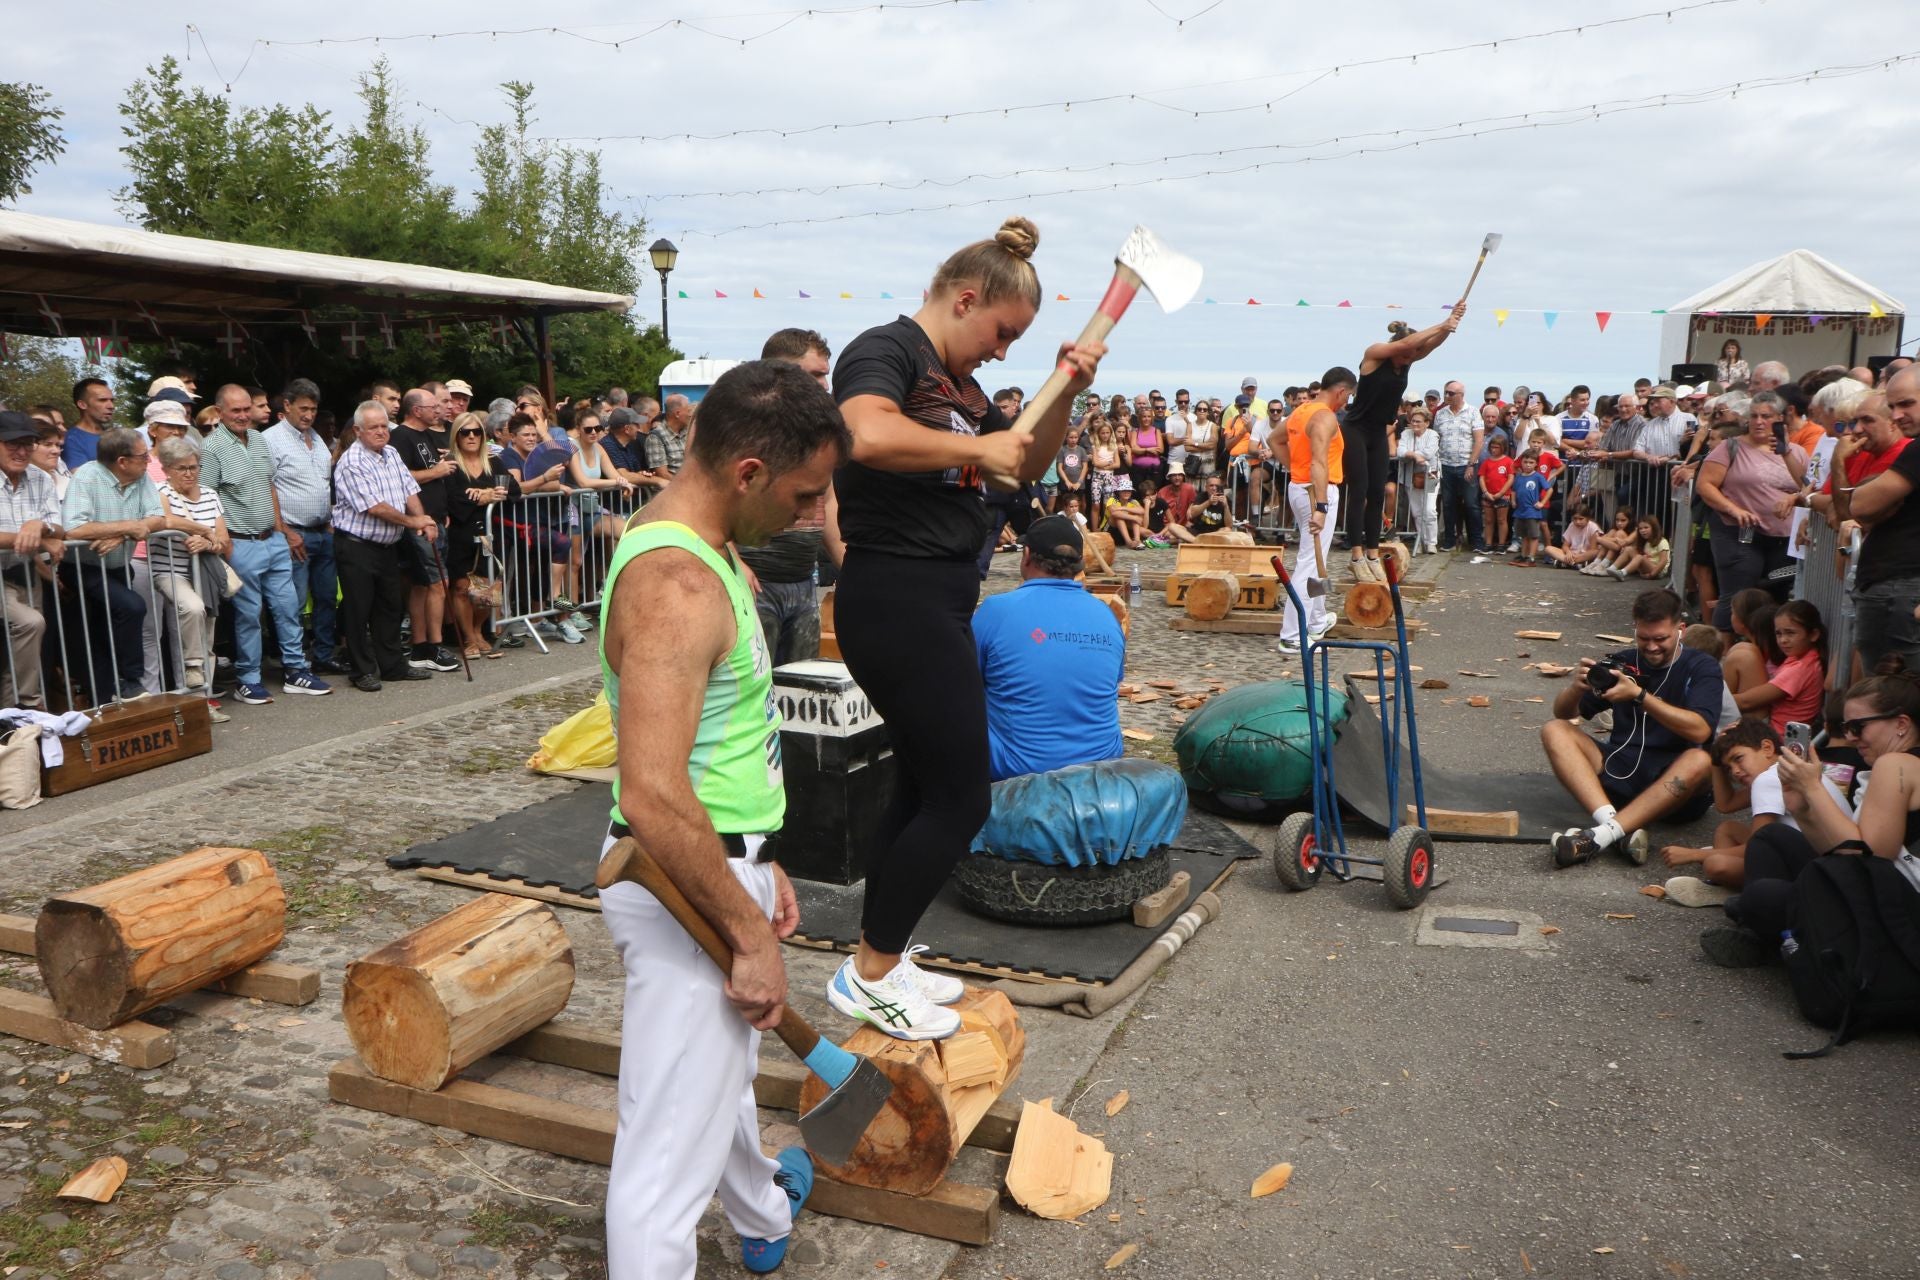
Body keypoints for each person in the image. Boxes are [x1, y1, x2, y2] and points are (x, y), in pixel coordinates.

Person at [594, 361, 845, 1278]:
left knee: (715, 1076)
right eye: (805, 494)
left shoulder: (706, 539)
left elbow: (718, 746)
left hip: (715, 859)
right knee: (662, 1164)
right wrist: (745, 932)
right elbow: (654, 792)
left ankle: (761, 1209)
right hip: (680, 883)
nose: (813, 514)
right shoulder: (679, 583)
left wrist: (759, 855)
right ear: (747, 473)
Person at [830, 216, 1105, 1040]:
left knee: (918, 790)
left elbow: (1019, 460)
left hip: (940, 599)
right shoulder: (887, 351)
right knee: (962, 798)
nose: (1002, 351)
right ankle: (868, 974)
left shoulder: (964, 394)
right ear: (964, 299)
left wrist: (1067, 394)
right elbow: (866, 432)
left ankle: (887, 951)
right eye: (1001, 332)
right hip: (897, 597)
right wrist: (976, 454)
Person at [1701, 668, 1920, 967]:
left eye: (1859, 726)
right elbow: (1841, 850)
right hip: (1882, 893)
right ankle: (1771, 934)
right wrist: (1802, 809)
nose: (1850, 737)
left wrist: (1812, 787)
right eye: (1845, 727)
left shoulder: (1896, 764)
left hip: (1897, 913)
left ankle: (1773, 943)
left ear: (1902, 724)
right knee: (1771, 838)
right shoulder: (1895, 763)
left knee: (1761, 897)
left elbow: (1871, 856)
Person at [1541, 589, 1724, 867]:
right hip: (1621, 769)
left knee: (1700, 760)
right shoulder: (1624, 662)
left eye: (1660, 639)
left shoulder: (1702, 667)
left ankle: (1598, 836)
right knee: (1554, 729)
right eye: (1643, 638)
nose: (1651, 647)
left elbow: (1700, 731)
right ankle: (1613, 829)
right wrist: (1576, 689)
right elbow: (1564, 713)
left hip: (1673, 785)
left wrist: (1640, 696)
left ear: (1680, 630)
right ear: (1635, 629)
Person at [200, 384, 331, 704]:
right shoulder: (211, 448)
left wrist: (280, 529)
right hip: (240, 542)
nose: (244, 416)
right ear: (219, 412)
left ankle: (296, 671)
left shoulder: (259, 439)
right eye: (236, 410)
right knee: (248, 616)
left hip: (271, 539)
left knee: (288, 609)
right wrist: (227, 546)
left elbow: (269, 486)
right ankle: (248, 678)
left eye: (247, 409)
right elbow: (207, 498)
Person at [972, 515, 1124, 780]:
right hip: (1101, 765)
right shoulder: (1106, 614)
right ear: (1079, 563)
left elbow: (963, 682)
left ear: (1027, 554)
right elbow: (1113, 682)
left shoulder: (997, 610)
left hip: (1018, 768)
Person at [1342, 310, 1463, 575]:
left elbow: (1426, 346)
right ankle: (1355, 556)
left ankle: (1373, 554)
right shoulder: (1375, 353)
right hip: (1356, 429)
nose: (1410, 359)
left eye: (1412, 356)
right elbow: (1409, 344)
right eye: (1406, 354)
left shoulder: (1405, 358)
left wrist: (1450, 324)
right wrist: (1442, 322)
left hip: (1378, 432)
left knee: (1377, 494)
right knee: (1359, 491)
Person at [330, 402, 438, 693]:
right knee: (358, 609)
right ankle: (361, 669)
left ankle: (392, 666)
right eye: (373, 427)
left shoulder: (391, 454)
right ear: (357, 431)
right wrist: (413, 521)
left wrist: (423, 519)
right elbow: (374, 507)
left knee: (390, 607)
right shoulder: (351, 462)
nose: (381, 432)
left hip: (387, 545)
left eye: (383, 426)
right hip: (357, 545)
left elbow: (409, 491)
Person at [1695, 392, 1808, 631]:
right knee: (1738, 594)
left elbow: (1808, 488)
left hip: (1784, 538)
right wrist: (1734, 509)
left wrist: (1793, 495)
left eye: (1766, 416)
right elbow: (1705, 485)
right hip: (1738, 533)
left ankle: (1766, 651)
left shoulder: (1796, 452)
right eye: (1754, 416)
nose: (1758, 421)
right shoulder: (1730, 447)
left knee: (1778, 595)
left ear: (1780, 419)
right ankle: (1722, 651)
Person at [1840, 367, 1920, 672]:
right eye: (1892, 406)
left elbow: (1860, 503)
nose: (1898, 415)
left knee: (1892, 694)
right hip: (1896, 588)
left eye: (1907, 404)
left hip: (1899, 590)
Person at [264, 379, 341, 674]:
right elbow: (267, 485)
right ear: (287, 405)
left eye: (313, 409)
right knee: (292, 602)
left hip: (323, 531)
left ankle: (322, 655)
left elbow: (324, 483)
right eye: (303, 408)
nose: (308, 415)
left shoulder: (317, 438)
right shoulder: (271, 439)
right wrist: (283, 530)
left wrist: (331, 520)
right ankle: (292, 661)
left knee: (326, 598)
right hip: (294, 533)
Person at [1277, 370, 1351, 655]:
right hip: (1316, 491)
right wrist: (1320, 506)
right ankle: (1292, 635)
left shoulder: (1300, 411)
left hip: (1304, 486)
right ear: (1342, 392)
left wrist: (1295, 471)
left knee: (1318, 557)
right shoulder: (1324, 416)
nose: (1347, 402)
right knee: (1309, 560)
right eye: (1349, 397)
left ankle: (1317, 619)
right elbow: (1319, 461)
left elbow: (1275, 440)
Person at [390, 389, 462, 674]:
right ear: (416, 410)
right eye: (432, 406)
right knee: (435, 583)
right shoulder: (401, 438)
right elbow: (402, 476)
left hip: (436, 519)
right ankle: (432, 644)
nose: (438, 410)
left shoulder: (428, 436)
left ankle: (421, 646)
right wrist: (436, 471)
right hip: (418, 522)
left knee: (424, 584)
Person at [150, 436, 229, 693]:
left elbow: (223, 540)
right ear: (166, 470)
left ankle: (204, 701)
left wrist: (207, 543)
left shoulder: (209, 494)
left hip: (204, 572)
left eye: (193, 467)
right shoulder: (160, 492)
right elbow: (166, 521)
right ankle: (193, 666)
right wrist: (202, 530)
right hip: (170, 570)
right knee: (193, 608)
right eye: (181, 468)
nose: (189, 473)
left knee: (207, 634)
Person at [444, 410, 520, 661]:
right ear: (456, 436)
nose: (471, 436)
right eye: (465, 432)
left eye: (476, 432)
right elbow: (451, 499)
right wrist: (477, 498)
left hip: (493, 533)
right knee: (462, 588)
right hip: (461, 534)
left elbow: (514, 489)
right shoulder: (451, 464)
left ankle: (478, 631)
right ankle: (468, 637)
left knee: (490, 588)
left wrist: (487, 493)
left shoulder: (493, 461)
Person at [0, 412, 62, 709]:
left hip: (25, 571)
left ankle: (15, 720)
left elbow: (59, 527)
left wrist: (39, 526)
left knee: (24, 646)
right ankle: (28, 706)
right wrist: (23, 536)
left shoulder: (39, 477)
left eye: (28, 443)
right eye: (13, 444)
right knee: (31, 623)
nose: (22, 451)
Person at [1434, 381, 1483, 551]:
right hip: (1446, 465)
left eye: (1450, 393)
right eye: (1445, 392)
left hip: (1465, 465)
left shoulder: (1473, 412)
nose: (1447, 396)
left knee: (1471, 503)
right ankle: (1449, 539)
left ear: (1461, 395)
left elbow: (1478, 440)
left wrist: (1471, 464)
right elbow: (1436, 438)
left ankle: (1477, 540)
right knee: (1448, 504)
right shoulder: (1440, 414)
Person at [1396, 407, 1441, 554]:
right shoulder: (1405, 433)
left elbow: (1429, 452)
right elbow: (1400, 451)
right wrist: (1414, 455)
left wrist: (1410, 454)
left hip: (1431, 474)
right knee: (1416, 511)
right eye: (1413, 421)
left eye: (1418, 421)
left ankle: (1431, 542)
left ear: (1427, 423)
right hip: (1410, 475)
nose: (1415, 424)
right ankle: (1421, 541)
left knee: (1429, 509)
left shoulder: (1433, 435)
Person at [1477, 433, 1516, 556]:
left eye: (1497, 447)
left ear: (1503, 448)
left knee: (1502, 520)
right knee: (1488, 520)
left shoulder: (1508, 461)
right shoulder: (1487, 462)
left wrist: (1501, 493)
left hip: (1503, 496)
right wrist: (1485, 492)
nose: (1494, 450)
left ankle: (1501, 544)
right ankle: (1488, 544)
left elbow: (1510, 479)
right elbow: (1481, 477)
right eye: (1492, 447)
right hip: (1488, 495)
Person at [64, 378, 115, 470]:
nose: (111, 406)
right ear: (82, 404)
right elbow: (83, 480)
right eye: (102, 400)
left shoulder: (114, 436)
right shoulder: (72, 440)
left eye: (112, 400)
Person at [1511, 449, 1550, 565]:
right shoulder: (1518, 477)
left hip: (1532, 511)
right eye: (1525, 462)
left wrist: (1542, 503)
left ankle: (1531, 557)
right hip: (1520, 511)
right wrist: (1513, 500)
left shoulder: (1538, 477)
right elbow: (1513, 490)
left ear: (1536, 463)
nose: (1528, 465)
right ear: (1521, 462)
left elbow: (1549, 489)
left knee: (1533, 535)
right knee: (1523, 535)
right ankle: (1524, 555)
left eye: (1531, 462)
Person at [1544, 502, 1602, 569]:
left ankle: (1567, 562)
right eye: (1575, 518)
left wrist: (1579, 556)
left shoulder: (1593, 527)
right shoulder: (1572, 525)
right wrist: (1568, 552)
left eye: (1581, 519)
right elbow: (1565, 545)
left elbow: (1593, 550)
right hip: (1572, 554)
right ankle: (1575, 564)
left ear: (1588, 518)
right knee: (1548, 548)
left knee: (1596, 552)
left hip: (1584, 555)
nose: (1577, 522)